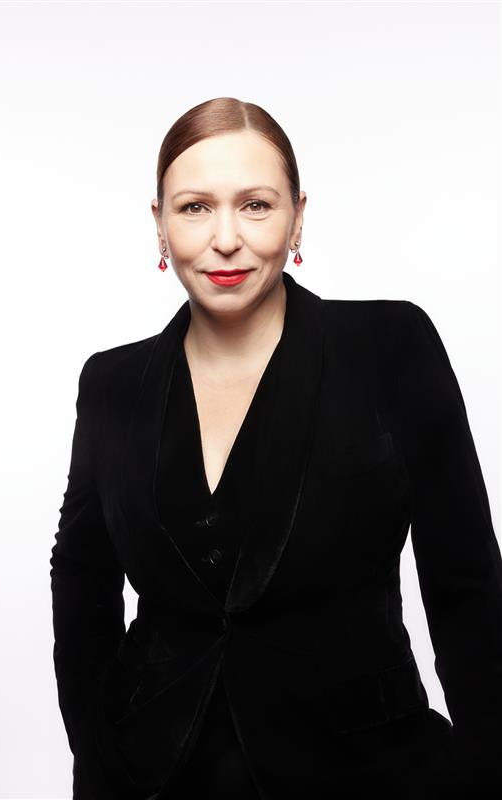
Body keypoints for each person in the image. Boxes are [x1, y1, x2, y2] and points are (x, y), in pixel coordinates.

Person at [50, 97, 502, 799]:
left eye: (255, 205)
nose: (225, 238)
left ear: (297, 216)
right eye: (195, 208)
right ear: (160, 224)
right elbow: (81, 578)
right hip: (156, 779)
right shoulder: (111, 382)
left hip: (366, 776)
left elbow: (466, 584)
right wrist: (98, 754)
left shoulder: (389, 346)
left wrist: (483, 767)